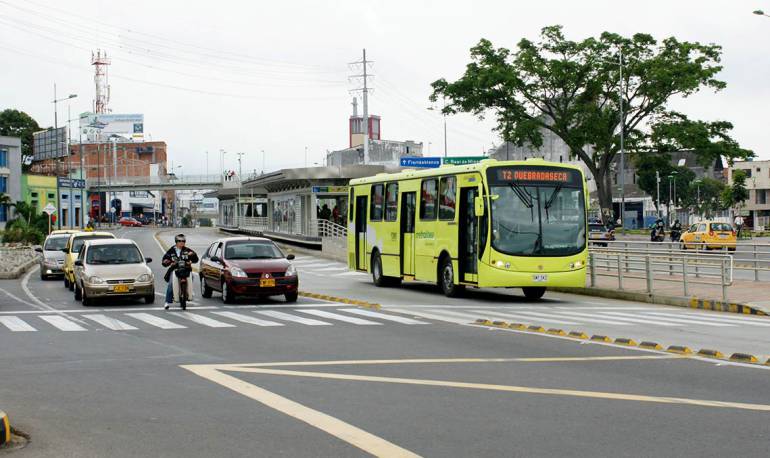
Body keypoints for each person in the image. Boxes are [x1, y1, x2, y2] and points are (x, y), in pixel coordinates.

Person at [161, 234, 199, 310]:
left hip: (186, 269)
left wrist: (192, 258)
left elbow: (196, 258)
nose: (182, 242)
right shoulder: (171, 250)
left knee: (192, 277)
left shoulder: (187, 250)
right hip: (175, 269)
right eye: (180, 241)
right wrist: (167, 262)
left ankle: (189, 291)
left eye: (183, 241)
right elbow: (165, 259)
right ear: (176, 242)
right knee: (171, 283)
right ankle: (167, 302)